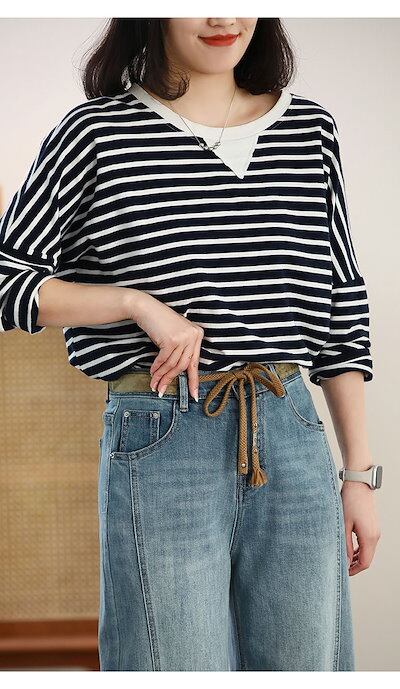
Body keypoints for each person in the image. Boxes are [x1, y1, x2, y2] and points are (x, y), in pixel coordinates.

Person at [0, 17, 381, 672]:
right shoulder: (95, 135)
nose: (222, 17)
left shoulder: (310, 131)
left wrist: (358, 476)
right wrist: (134, 303)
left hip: (291, 433)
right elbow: (9, 279)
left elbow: (341, 304)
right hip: (161, 435)